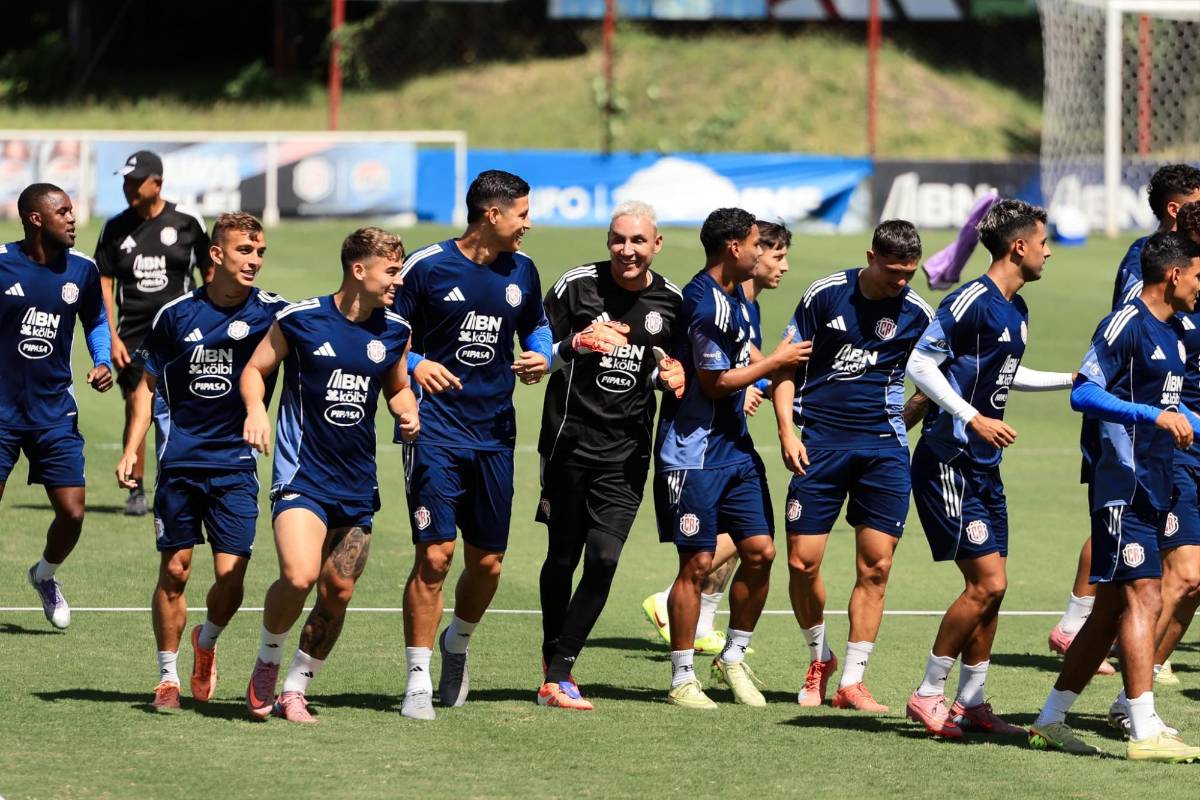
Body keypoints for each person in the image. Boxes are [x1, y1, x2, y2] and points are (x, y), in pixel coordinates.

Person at [903, 199, 1074, 738]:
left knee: (994, 589)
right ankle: (927, 693)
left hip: (984, 466)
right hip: (947, 461)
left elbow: (1008, 373)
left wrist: (1072, 381)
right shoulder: (971, 300)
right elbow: (920, 363)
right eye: (1044, 242)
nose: (1049, 252)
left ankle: (971, 702)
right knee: (986, 582)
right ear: (1019, 246)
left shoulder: (1016, 309)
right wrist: (972, 416)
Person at [1029, 231, 1200, 762]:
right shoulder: (1126, 322)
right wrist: (1152, 417)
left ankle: (1050, 720)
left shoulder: (1174, 334)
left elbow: (1175, 411)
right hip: (1122, 486)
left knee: (1107, 613)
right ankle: (1143, 726)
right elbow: (1084, 390)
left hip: (1157, 483)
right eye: (1197, 277)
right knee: (1145, 595)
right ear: (1173, 275)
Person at [241, 227, 418, 723]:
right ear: (358, 270)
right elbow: (254, 370)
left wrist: (409, 411)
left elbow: (397, 388)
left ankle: (296, 688)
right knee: (298, 577)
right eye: (391, 271)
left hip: (357, 484)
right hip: (302, 474)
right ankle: (267, 661)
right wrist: (255, 411)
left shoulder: (394, 331)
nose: (398, 281)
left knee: (337, 591)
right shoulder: (301, 319)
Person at [396, 170, 552, 721]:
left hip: (495, 434)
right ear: (493, 214)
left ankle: (456, 644)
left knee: (487, 564)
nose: (528, 223)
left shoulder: (523, 271)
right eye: (522, 214)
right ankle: (417, 680)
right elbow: (383, 337)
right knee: (436, 556)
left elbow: (536, 328)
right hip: (434, 429)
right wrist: (417, 364)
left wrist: (543, 356)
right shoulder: (426, 266)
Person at [114, 212, 284, 710]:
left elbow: (334, 327)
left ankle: (205, 641)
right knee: (176, 570)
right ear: (216, 255)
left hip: (237, 463)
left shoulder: (275, 313)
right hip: (181, 462)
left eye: (259, 253)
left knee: (232, 578)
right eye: (243, 251)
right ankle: (166, 678)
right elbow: (146, 389)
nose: (253, 261)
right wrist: (132, 449)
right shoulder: (176, 314)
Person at [772, 220, 934, 712]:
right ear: (870, 256)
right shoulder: (825, 295)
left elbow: (934, 379)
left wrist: (900, 424)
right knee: (802, 561)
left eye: (909, 273)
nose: (901, 283)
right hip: (819, 444)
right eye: (892, 272)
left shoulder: (917, 313)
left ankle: (852, 681)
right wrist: (785, 431)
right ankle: (819, 657)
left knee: (877, 566)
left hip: (883, 452)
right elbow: (784, 365)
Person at [654, 207, 811, 709]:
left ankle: (732, 656)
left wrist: (765, 375)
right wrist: (775, 363)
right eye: (756, 243)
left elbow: (742, 364)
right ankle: (682, 678)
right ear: (735, 248)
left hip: (735, 448)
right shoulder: (703, 303)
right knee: (697, 563)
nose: (764, 252)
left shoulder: (740, 300)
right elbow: (713, 382)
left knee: (761, 551)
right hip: (694, 451)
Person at [1049, 164, 1200, 681]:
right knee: (1120, 514)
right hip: (1139, 422)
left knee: (1141, 549)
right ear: (1178, 212)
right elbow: (1124, 349)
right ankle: (1085, 632)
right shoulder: (1149, 266)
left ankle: (1069, 703)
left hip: (1174, 419)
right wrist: (1150, 413)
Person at [535, 200, 685, 710]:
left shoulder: (671, 302)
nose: (628, 250)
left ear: (656, 244)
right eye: (619, 239)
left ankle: (561, 670)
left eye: (639, 241)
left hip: (626, 455)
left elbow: (676, 366)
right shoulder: (576, 286)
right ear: (608, 241)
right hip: (567, 444)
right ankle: (550, 663)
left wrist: (675, 377)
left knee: (603, 559)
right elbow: (537, 354)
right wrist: (576, 343)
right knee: (562, 556)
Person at [4, 183, 113, 630]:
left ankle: (45, 575)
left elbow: (97, 320)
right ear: (36, 219)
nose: (73, 218)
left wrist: (102, 359)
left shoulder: (83, 270)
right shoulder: (2, 265)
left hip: (54, 412)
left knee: (72, 512)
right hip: (2, 413)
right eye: (63, 211)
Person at [94, 150, 211, 516]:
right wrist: (110, 335)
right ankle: (136, 487)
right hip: (133, 334)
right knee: (136, 401)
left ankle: (179, 481)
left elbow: (210, 272)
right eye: (125, 180)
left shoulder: (188, 222)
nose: (127, 187)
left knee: (184, 407)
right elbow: (104, 282)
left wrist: (209, 322)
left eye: (134, 180)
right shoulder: (115, 227)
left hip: (181, 330)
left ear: (156, 183)